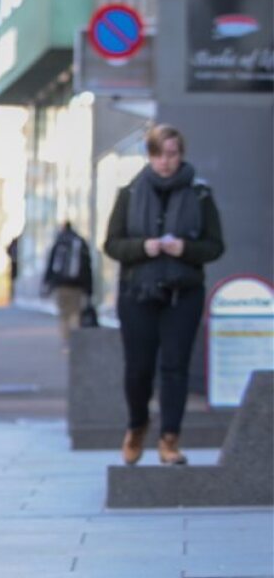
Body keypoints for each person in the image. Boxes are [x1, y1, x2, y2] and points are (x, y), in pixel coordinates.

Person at [104, 123, 224, 467]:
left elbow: (215, 246)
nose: (165, 162)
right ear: (149, 155)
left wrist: (184, 247)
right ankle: (137, 426)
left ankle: (170, 439)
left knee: (175, 367)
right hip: (137, 292)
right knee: (139, 370)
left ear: (181, 155)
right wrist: (144, 247)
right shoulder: (130, 192)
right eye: (158, 154)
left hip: (182, 293)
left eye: (171, 154)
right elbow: (112, 244)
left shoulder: (200, 194)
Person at [41, 222, 93, 346]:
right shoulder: (80, 242)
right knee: (75, 314)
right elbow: (87, 267)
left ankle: (66, 341)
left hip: (61, 285)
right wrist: (89, 289)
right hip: (77, 286)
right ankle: (73, 343)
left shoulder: (59, 242)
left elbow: (51, 265)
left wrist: (47, 283)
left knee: (64, 314)